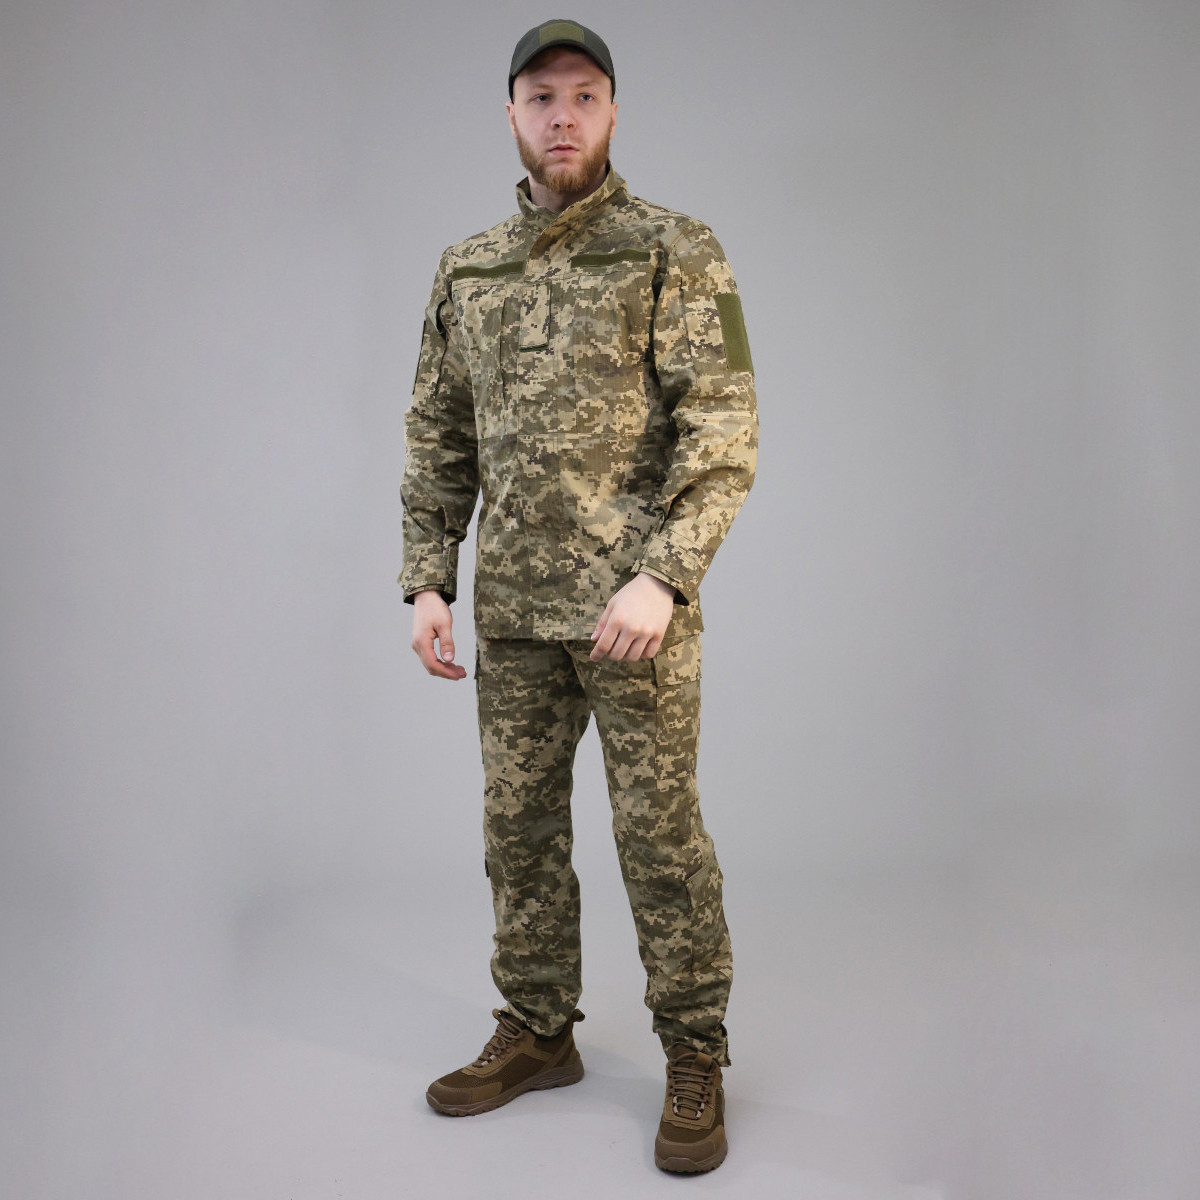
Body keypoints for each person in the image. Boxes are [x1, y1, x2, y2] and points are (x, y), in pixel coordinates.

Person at [399, 18, 757, 1174]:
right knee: (519, 834)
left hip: (631, 617)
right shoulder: (468, 268)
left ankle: (694, 1050)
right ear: (510, 114)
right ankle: (539, 1028)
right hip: (512, 611)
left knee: (659, 840)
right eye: (542, 96)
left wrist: (665, 575)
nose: (563, 116)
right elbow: (438, 432)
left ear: (613, 112)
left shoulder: (673, 249)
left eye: (585, 95)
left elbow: (724, 431)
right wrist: (427, 578)